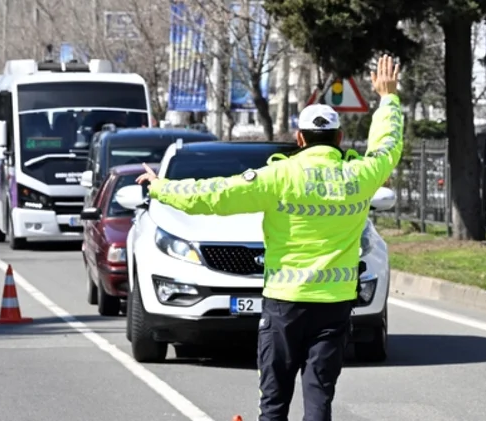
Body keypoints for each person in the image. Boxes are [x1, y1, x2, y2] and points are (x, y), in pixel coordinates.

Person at [135, 55, 403, 421]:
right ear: (339, 138)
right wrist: (388, 99)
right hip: (335, 304)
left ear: (299, 138)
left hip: (284, 305)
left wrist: (160, 187)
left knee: (274, 403)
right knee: (319, 398)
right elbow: (387, 147)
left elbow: (212, 195)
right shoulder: (359, 176)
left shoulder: (279, 176)